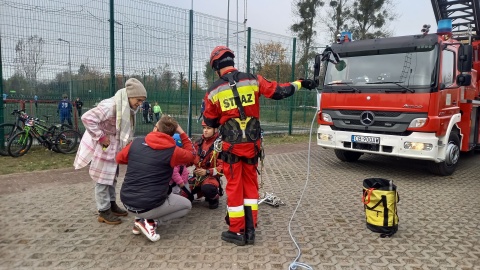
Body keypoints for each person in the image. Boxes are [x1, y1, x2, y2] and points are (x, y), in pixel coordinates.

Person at [203, 45, 317, 246]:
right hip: (252, 147)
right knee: (250, 186)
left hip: (231, 149)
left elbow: (210, 122)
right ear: (232, 61)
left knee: (234, 187)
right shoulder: (253, 80)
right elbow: (280, 91)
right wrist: (300, 83)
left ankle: (237, 231)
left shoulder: (213, 91)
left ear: (215, 67)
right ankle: (250, 229)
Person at [73, 78, 147, 225]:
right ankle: (103, 210)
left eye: (142, 101)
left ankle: (111, 204)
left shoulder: (127, 107)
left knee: (112, 175)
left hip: (113, 143)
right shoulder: (111, 106)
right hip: (104, 143)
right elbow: (87, 118)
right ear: (129, 95)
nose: (140, 104)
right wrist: (101, 137)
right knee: (102, 178)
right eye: (138, 100)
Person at [117, 115, 195, 242]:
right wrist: (182, 133)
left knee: (149, 197)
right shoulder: (173, 151)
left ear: (155, 128)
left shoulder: (136, 143)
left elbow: (119, 158)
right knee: (187, 206)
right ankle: (150, 222)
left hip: (127, 202)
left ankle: (139, 219)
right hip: (148, 205)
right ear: (172, 133)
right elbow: (192, 155)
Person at [189, 120, 223, 209]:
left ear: (215, 130)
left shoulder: (219, 145)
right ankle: (199, 193)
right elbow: (190, 158)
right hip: (197, 178)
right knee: (184, 194)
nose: (205, 130)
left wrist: (207, 171)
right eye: (204, 128)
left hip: (210, 177)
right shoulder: (198, 143)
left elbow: (223, 168)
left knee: (208, 189)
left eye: (208, 128)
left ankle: (214, 197)